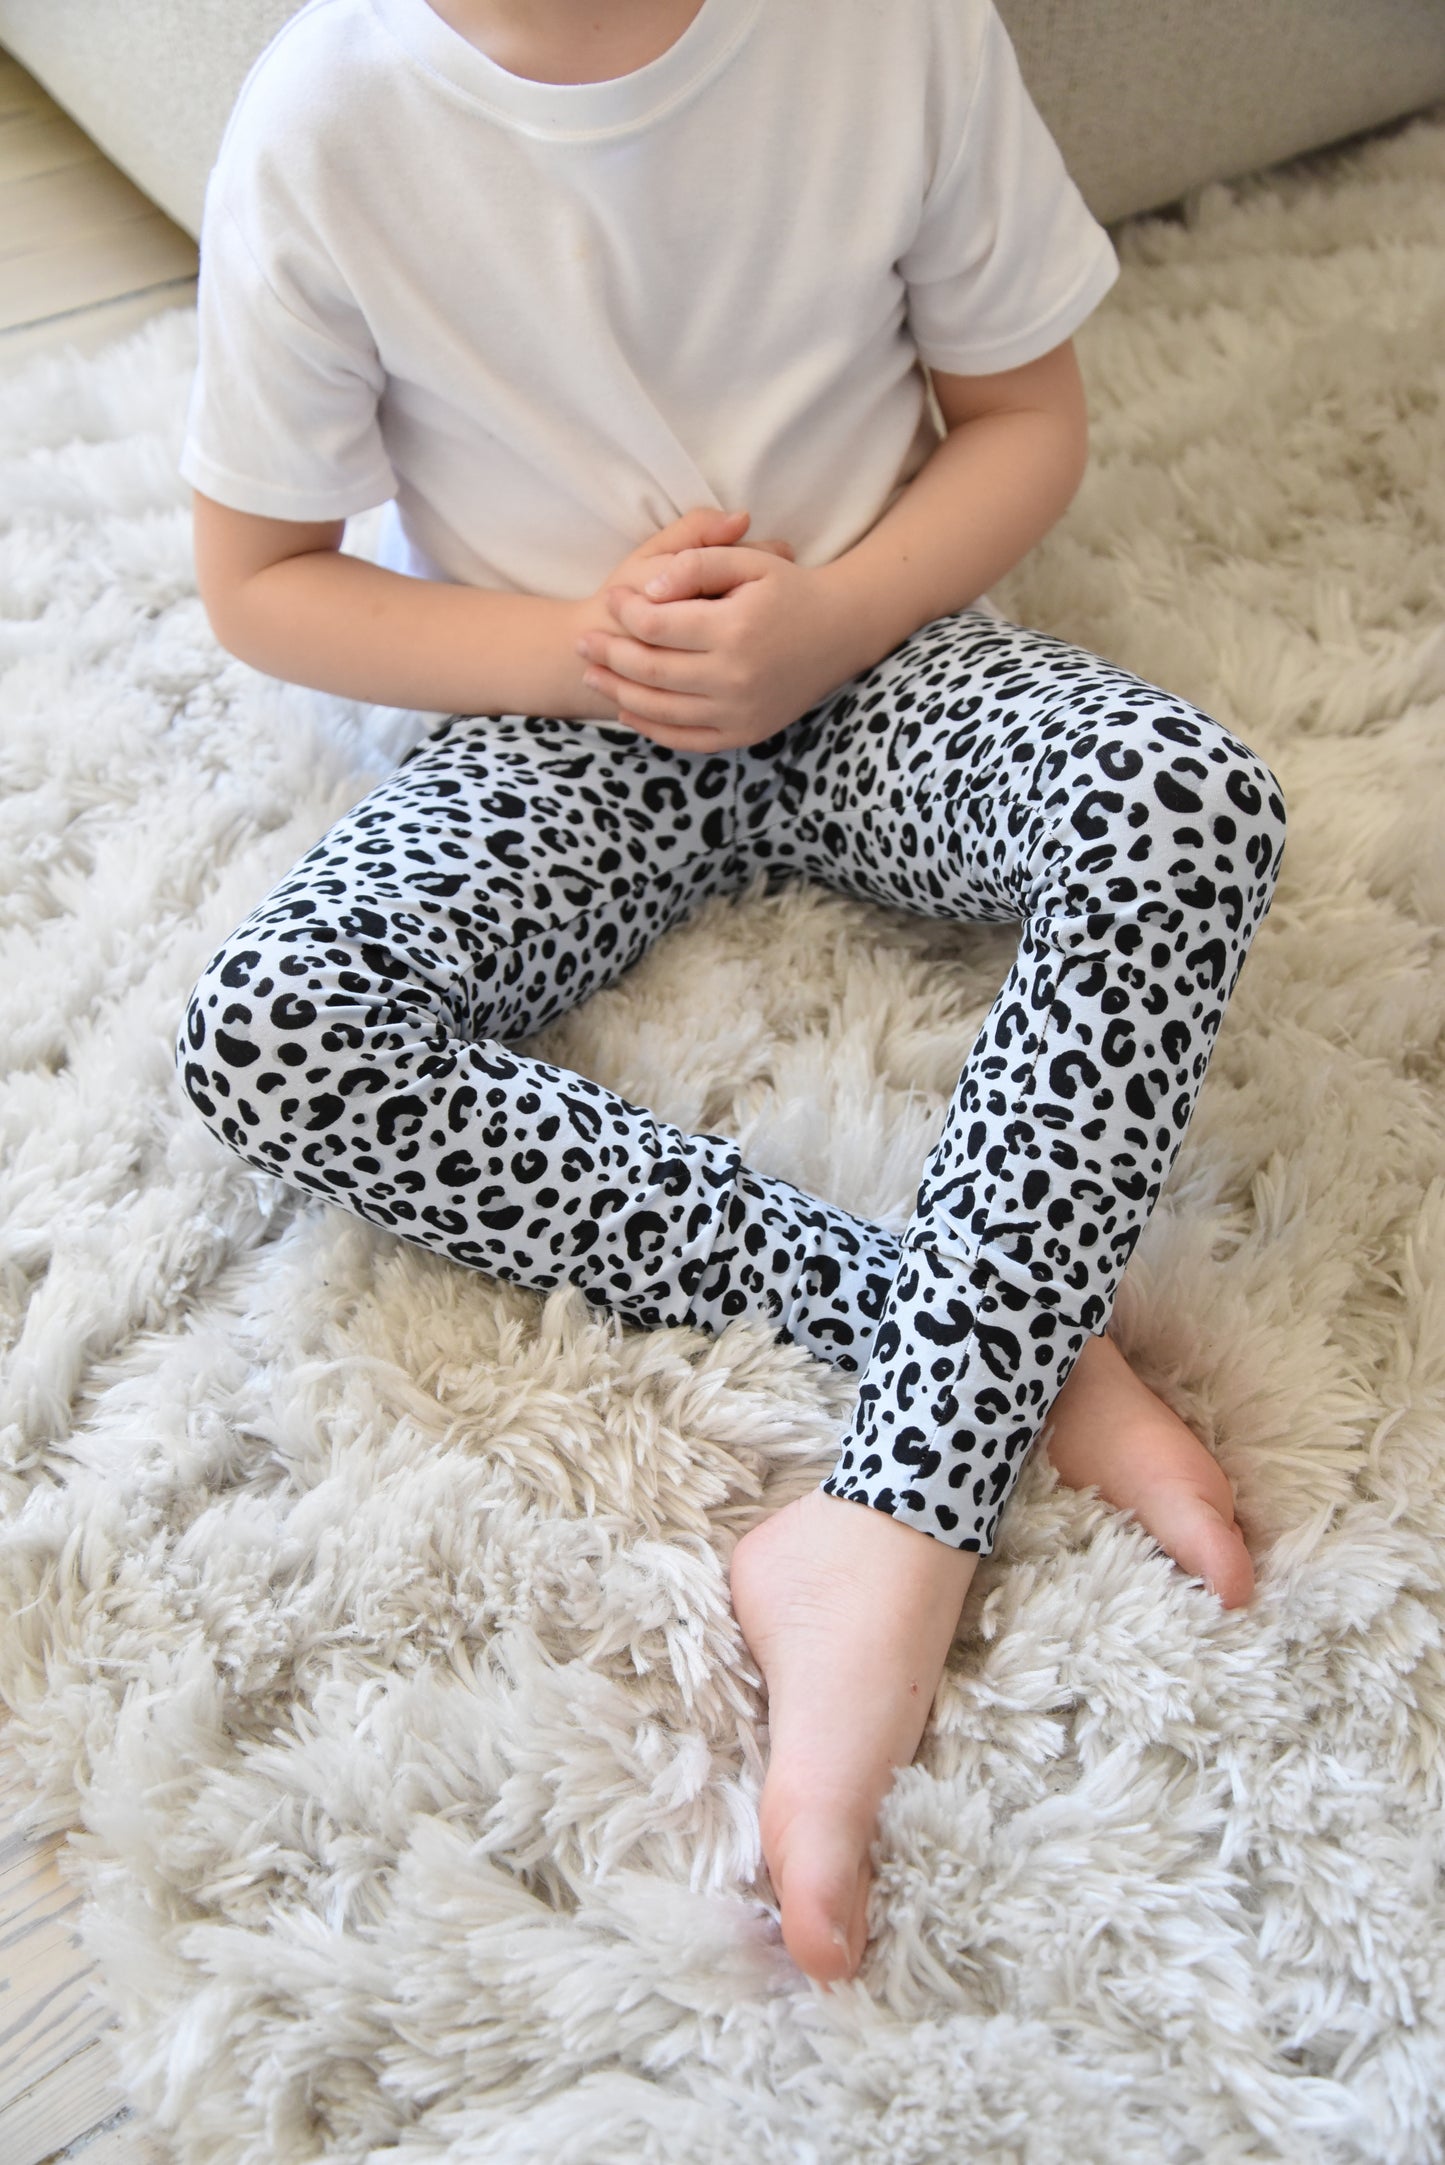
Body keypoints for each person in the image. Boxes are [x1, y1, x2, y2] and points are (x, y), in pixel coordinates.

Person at [176, 0, 1287, 1986]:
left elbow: (1027, 418)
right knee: (272, 1030)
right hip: (560, 725)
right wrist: (578, 645)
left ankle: (907, 1506)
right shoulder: (325, 120)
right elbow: (262, 575)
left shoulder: (893, 30)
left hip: (881, 661)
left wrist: (832, 620)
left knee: (1185, 800)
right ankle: (1006, 1343)